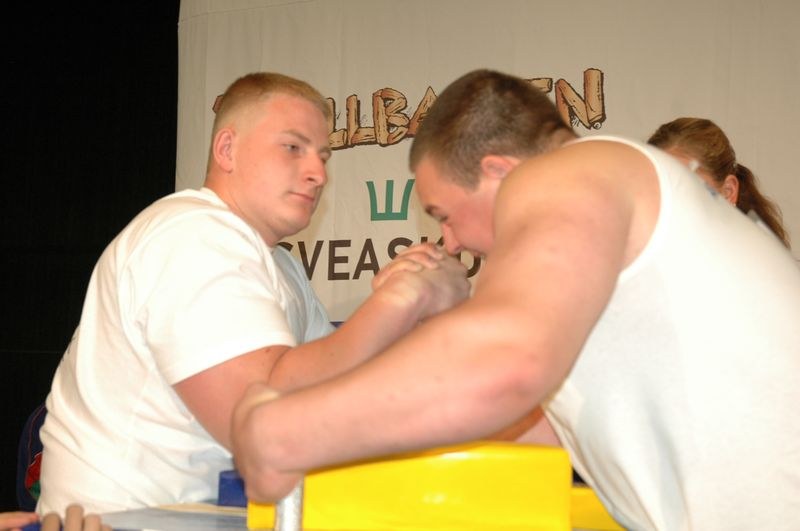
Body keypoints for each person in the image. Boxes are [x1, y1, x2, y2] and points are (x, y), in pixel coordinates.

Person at [231, 70, 800, 530]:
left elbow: (504, 366)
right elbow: (522, 421)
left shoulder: (577, 167)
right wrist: (437, 325)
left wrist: (283, 430)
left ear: (500, 172)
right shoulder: (619, 262)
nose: (450, 241)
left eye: (445, 215)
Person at [36, 72, 470, 516]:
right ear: (227, 149)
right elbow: (270, 429)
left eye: (323, 157)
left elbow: (337, 387)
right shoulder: (191, 233)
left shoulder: (280, 265)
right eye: (292, 148)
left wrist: (413, 316)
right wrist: (398, 302)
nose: (318, 173)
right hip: (122, 521)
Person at [648, 117, 790, 247]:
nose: (670, 202)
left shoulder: (755, 264)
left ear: (729, 191)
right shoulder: (645, 255)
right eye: (658, 186)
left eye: (687, 187)